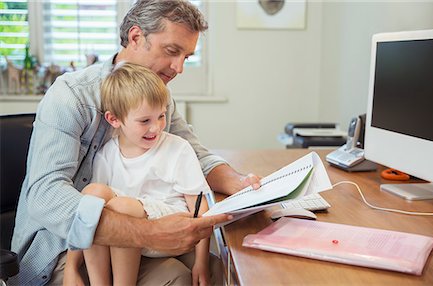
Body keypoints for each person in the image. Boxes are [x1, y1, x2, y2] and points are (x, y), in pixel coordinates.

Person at [11, 0, 261, 285]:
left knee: (221, 268)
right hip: (60, 248)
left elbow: (195, 155)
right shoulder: (71, 97)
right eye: (172, 51)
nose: (179, 67)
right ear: (135, 37)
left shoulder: (158, 98)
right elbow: (46, 197)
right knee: (176, 276)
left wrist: (241, 184)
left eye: (187, 57)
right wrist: (149, 233)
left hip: (132, 235)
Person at [64, 62, 213, 285]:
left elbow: (199, 209)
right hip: (128, 230)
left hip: (168, 228)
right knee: (93, 194)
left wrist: (201, 262)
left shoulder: (177, 148)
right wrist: (72, 267)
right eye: (145, 121)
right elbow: (86, 213)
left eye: (161, 116)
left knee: (121, 207)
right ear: (114, 119)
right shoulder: (107, 154)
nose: (156, 128)